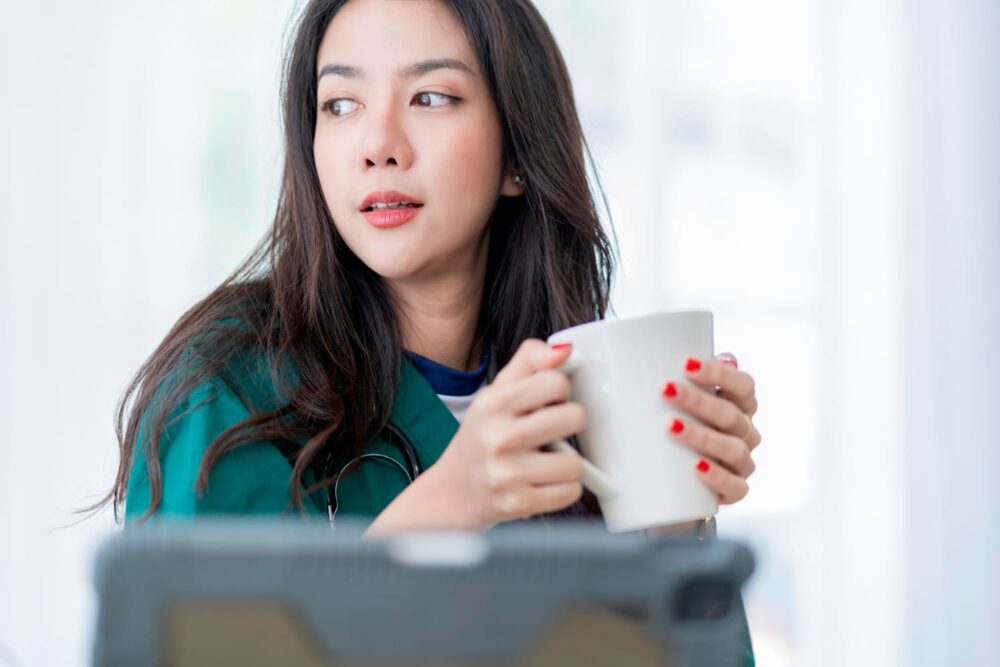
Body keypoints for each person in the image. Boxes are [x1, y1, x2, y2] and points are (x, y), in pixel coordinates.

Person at [96, 0, 760, 661]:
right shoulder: (228, 386)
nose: (378, 145)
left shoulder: (588, 394)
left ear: (517, 157)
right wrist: (452, 502)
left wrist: (675, 531)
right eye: (341, 104)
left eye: (432, 97)